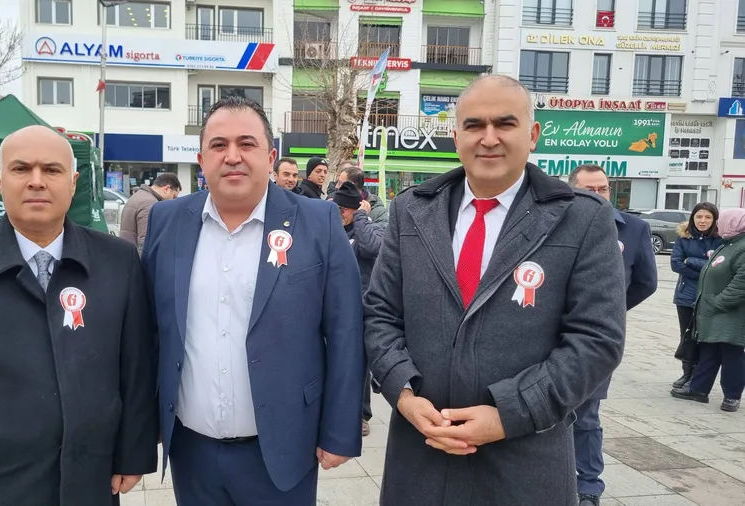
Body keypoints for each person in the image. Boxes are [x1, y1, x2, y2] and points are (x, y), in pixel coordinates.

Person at [362, 74, 626, 506]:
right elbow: (380, 315)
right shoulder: (411, 210)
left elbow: (597, 340)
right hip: (421, 457)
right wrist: (404, 396)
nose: (488, 138)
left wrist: (508, 414)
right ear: (456, 136)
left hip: (524, 462)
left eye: (505, 123)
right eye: (474, 125)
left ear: (532, 134)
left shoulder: (581, 219)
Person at [0, 125, 159, 506]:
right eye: (21, 169)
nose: (37, 181)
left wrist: (133, 452)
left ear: (73, 183)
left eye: (52, 170)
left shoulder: (118, 262)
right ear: (0, 180)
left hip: (90, 480)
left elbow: (135, 365)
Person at [141, 96, 365, 505]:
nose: (232, 156)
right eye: (219, 145)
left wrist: (340, 430)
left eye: (246, 144)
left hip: (284, 448)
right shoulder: (167, 220)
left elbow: (346, 331)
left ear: (270, 157)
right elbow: (151, 328)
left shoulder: (318, 222)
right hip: (192, 452)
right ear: (201, 159)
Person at [568, 164, 658, 506]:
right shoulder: (556, 221)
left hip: (597, 339)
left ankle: (588, 486)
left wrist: (610, 313)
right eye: (589, 189)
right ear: (573, 191)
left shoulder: (634, 229)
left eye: (602, 188)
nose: (598, 195)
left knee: (586, 414)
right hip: (551, 333)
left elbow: (646, 283)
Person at [671, 208, 745, 413]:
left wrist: (719, 302)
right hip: (713, 311)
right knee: (709, 350)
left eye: (721, 221)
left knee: (731, 353)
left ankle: (732, 396)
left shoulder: (741, 248)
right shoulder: (727, 244)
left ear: (733, 223)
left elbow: (741, 283)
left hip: (729, 313)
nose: (717, 225)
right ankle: (699, 389)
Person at [333, 181, 385, 437]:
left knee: (359, 363)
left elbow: (373, 248)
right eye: (337, 208)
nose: (340, 213)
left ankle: (362, 413)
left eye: (344, 209)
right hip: (333, 306)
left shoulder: (367, 228)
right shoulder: (331, 228)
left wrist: (362, 217)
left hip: (360, 306)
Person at [669, 203, 722, 388]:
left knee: (704, 337)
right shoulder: (684, 237)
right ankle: (687, 373)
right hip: (686, 295)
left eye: (708, 217)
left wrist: (691, 260)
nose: (703, 221)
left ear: (714, 220)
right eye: (699, 216)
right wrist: (705, 271)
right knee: (687, 335)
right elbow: (676, 264)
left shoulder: (720, 239)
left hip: (710, 295)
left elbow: (720, 267)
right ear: (692, 218)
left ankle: (698, 376)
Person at [119, 172, 181, 254]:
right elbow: (145, 243)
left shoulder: (139, 196)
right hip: (136, 258)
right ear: (166, 189)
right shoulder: (150, 203)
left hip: (127, 254)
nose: (174, 200)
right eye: (174, 196)